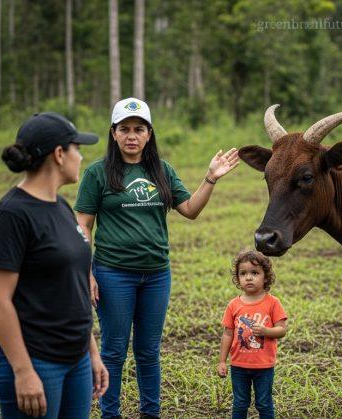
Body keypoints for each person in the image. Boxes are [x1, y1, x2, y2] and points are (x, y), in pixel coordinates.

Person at [74, 97, 239, 419]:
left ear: (149, 134)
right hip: (113, 274)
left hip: (157, 275)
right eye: (125, 129)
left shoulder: (161, 171)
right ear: (113, 133)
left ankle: (151, 413)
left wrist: (211, 178)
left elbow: (190, 210)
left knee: (148, 351)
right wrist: (86, 271)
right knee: (114, 350)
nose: (131, 135)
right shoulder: (97, 173)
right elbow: (83, 225)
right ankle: (111, 414)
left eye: (139, 129)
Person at [0, 112, 109, 419]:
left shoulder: (61, 207)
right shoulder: (12, 215)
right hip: (36, 359)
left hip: (76, 357)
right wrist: (23, 371)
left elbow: (74, 287)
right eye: (77, 149)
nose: (81, 157)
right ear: (58, 154)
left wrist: (92, 352)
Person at [217, 250, 288, 419]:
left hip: (264, 366)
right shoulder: (233, 305)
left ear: (265, 277)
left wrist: (266, 331)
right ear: (238, 278)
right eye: (243, 273)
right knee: (240, 403)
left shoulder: (272, 303)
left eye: (254, 273)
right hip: (239, 366)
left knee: (264, 403)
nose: (248, 277)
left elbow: (282, 330)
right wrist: (222, 361)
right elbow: (227, 334)